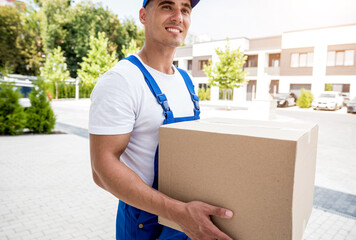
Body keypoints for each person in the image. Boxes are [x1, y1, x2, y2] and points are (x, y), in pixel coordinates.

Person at [89, 0, 234, 239]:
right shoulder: (121, 80)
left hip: (190, 215)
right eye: (167, 6)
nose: (178, 16)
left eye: (185, 9)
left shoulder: (186, 81)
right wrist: (179, 213)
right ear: (144, 16)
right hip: (146, 222)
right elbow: (101, 169)